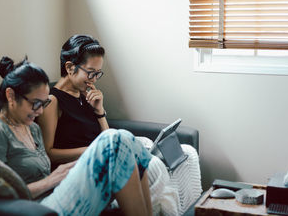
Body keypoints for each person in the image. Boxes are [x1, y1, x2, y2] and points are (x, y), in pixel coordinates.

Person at [0, 56, 153, 216]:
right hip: (34, 207)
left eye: (44, 103)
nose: (40, 112)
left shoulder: (32, 129)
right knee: (113, 140)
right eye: (36, 103)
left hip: (55, 194)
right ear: (11, 95)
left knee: (126, 138)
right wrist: (50, 181)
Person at [37, 35, 181, 215]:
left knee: (186, 153)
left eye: (97, 73)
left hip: (104, 158)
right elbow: (48, 153)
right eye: (90, 72)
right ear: (69, 67)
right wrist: (94, 150)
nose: (94, 79)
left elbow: (107, 136)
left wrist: (99, 111)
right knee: (155, 166)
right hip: (78, 170)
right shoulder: (52, 101)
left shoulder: (86, 96)